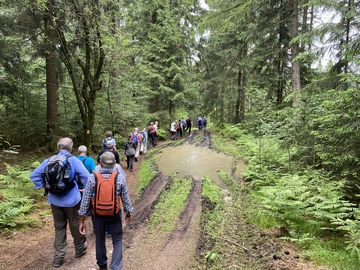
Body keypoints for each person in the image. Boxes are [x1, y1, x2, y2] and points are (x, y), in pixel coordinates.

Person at [30, 137, 90, 267]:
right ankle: (79, 250)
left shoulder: (49, 160)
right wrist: (84, 189)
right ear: (70, 148)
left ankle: (58, 257)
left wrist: (45, 186)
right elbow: (86, 176)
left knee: (59, 228)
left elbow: (34, 175)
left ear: (59, 147)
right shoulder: (73, 160)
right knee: (75, 224)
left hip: (55, 200)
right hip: (72, 200)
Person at [79, 152, 134, 270]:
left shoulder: (92, 177)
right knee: (117, 239)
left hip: (97, 214)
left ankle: (102, 265)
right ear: (114, 163)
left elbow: (85, 201)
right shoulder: (119, 177)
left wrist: (82, 220)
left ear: (100, 163)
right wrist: (128, 213)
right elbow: (125, 199)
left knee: (100, 238)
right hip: (114, 214)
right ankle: (115, 267)